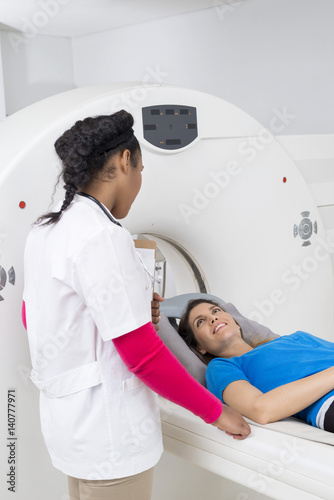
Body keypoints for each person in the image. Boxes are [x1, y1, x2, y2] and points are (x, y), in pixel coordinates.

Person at [22, 111, 250, 500]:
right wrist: (217, 412)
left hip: (71, 429)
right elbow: (143, 358)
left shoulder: (46, 230)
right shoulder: (102, 237)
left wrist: (127, 313)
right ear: (125, 161)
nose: (140, 181)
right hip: (111, 435)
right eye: (141, 168)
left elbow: (37, 319)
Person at [178, 298, 334, 433]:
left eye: (216, 311)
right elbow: (261, 409)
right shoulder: (221, 367)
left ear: (236, 323)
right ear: (200, 348)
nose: (213, 318)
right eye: (200, 322)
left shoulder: (296, 337)